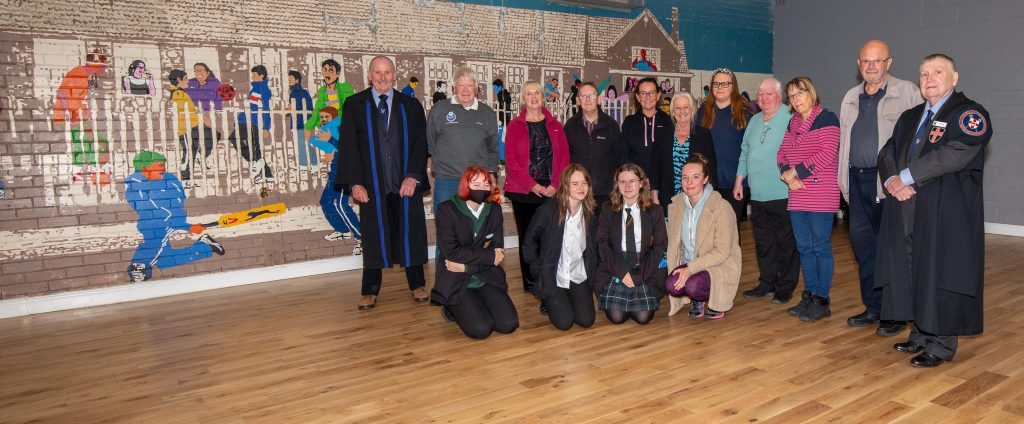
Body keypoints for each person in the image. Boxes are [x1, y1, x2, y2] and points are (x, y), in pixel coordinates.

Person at [876, 54, 992, 368]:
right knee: (911, 267)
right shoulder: (911, 115)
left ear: (954, 78)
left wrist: (907, 176)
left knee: (940, 272)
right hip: (906, 204)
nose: (929, 78)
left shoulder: (969, 114)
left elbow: (955, 152)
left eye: (938, 72)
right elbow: (888, 151)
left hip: (945, 210)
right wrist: (892, 180)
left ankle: (941, 344)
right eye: (924, 73)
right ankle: (919, 332)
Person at [838, 40, 921, 337]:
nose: (871, 66)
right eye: (866, 61)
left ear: (889, 63)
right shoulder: (851, 96)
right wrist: (842, 183)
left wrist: (908, 178)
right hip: (856, 181)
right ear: (858, 64)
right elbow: (844, 144)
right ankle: (873, 306)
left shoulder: (907, 92)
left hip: (888, 184)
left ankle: (894, 313)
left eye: (877, 61)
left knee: (892, 251)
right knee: (864, 249)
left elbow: (920, 138)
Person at [336, 56, 431, 310]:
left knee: (410, 232)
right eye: (377, 72)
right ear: (369, 75)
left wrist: (413, 175)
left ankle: (417, 284)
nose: (382, 77)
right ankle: (370, 289)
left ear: (394, 75)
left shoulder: (410, 105)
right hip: (372, 184)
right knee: (373, 235)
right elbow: (348, 147)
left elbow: (420, 144)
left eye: (387, 72)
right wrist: (355, 183)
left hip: (404, 183)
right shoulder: (355, 105)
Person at [777, 77, 840, 322]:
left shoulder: (827, 117)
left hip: (820, 194)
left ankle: (822, 299)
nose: (796, 99)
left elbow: (828, 153)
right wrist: (787, 175)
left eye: (800, 93)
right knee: (804, 247)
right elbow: (782, 153)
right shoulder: (793, 122)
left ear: (811, 93)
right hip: (797, 192)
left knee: (820, 247)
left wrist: (797, 172)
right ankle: (810, 294)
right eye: (791, 96)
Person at [431, 166, 518, 339]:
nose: (481, 188)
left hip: (486, 276)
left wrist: (466, 267)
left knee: (508, 324)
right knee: (481, 330)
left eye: (486, 184)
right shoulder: (446, 210)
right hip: (456, 280)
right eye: (475, 184)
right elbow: (452, 253)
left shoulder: (494, 210)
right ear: (465, 185)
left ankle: (477, 305)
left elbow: (498, 255)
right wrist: (489, 256)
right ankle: (450, 309)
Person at [736, 78, 800, 304]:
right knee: (764, 243)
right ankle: (767, 282)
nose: (763, 98)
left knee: (786, 243)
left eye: (768, 94)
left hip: (783, 193)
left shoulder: (791, 118)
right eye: (760, 94)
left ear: (779, 96)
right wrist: (739, 181)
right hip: (758, 195)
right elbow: (745, 152)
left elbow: (799, 151)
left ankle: (786, 285)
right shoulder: (754, 120)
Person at [427, 67, 500, 267]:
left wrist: (491, 173)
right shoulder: (439, 109)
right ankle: (444, 279)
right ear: (454, 87)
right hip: (447, 182)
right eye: (461, 85)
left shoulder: (487, 113)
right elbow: (431, 143)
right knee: (446, 234)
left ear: (477, 88)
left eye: (470, 85)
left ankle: (473, 277)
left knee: (477, 232)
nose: (465, 90)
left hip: (477, 185)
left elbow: (493, 148)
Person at [503, 80, 570, 293]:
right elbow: (511, 161)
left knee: (550, 238)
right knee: (528, 238)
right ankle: (531, 284)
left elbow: (564, 158)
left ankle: (548, 281)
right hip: (523, 192)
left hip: (551, 191)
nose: (533, 97)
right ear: (523, 99)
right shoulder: (514, 126)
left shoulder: (556, 125)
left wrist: (556, 184)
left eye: (537, 93)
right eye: (529, 94)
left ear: (543, 97)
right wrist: (533, 185)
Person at [124, 151, 225, 283]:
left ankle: (139, 268)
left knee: (156, 239)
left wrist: (185, 225)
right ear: (144, 168)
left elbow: (177, 205)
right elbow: (153, 211)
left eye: (164, 165)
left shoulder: (170, 181)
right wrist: (187, 227)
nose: (164, 169)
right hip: (153, 224)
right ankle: (205, 246)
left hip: (164, 224)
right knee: (165, 260)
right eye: (160, 166)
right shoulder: (134, 188)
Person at [522, 164, 599, 330]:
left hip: (577, 272)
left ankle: (568, 297)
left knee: (586, 320)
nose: (581, 188)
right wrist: (537, 269)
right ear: (565, 185)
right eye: (575, 183)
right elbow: (529, 242)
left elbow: (594, 247)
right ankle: (550, 299)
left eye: (584, 183)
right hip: (553, 274)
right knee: (565, 323)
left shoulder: (590, 213)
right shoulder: (548, 209)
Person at [665, 154, 741, 319]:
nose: (689, 182)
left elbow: (721, 252)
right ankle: (698, 297)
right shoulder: (676, 206)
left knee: (693, 286)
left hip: (717, 264)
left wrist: (690, 269)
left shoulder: (722, 207)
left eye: (695, 177)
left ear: (705, 179)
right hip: (689, 262)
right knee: (671, 285)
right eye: (685, 177)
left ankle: (709, 297)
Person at [594, 163, 667, 325]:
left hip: (645, 266)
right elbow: (603, 245)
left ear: (641, 183)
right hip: (615, 264)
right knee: (617, 318)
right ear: (617, 184)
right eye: (622, 182)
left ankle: (637, 297)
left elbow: (659, 247)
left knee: (643, 318)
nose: (627, 186)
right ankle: (625, 299)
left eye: (632, 181)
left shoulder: (655, 211)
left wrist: (638, 276)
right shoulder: (607, 209)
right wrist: (622, 273)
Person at [698, 68, 753, 223]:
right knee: (709, 229)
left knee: (730, 229)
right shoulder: (703, 112)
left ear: (733, 86)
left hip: (736, 183)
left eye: (724, 84)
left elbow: (749, 151)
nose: (720, 87)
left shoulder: (744, 113)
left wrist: (740, 182)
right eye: (716, 84)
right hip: (708, 183)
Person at [563, 81, 622, 207]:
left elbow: (618, 158)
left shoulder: (611, 125)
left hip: (604, 193)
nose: (587, 99)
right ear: (578, 100)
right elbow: (565, 158)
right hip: (577, 193)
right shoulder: (570, 126)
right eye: (583, 96)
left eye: (591, 95)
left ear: (599, 99)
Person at [652, 92, 716, 207]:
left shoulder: (703, 134)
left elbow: (711, 169)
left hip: (697, 198)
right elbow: (655, 168)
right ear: (672, 111)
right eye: (678, 108)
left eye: (686, 107)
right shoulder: (662, 134)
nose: (682, 111)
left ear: (692, 110)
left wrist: (710, 197)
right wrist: (654, 196)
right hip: (668, 198)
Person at [310, 106, 362, 249]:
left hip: (344, 174)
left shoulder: (340, 127)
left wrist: (330, 140)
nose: (323, 119)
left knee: (341, 204)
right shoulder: (329, 129)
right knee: (325, 201)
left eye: (326, 116)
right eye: (321, 117)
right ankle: (342, 230)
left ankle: (361, 237)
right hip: (335, 173)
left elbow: (348, 148)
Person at [225, 65, 275, 183]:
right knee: (236, 139)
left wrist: (266, 127)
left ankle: (263, 171)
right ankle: (265, 172)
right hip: (246, 121)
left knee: (254, 148)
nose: (252, 77)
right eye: (252, 75)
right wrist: (239, 119)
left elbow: (266, 110)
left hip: (254, 123)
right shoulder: (253, 90)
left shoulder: (264, 90)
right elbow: (248, 108)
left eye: (255, 75)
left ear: (262, 76)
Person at [167, 69, 213, 182]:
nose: (188, 80)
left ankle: (199, 156)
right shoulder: (177, 93)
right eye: (186, 78)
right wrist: (202, 118)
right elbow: (186, 110)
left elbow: (191, 109)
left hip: (194, 125)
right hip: (185, 128)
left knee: (211, 137)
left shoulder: (182, 93)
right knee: (189, 151)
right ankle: (185, 175)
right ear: (179, 80)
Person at [620, 77, 672, 178]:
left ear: (658, 95)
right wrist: (634, 178)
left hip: (663, 182)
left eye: (652, 93)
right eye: (643, 93)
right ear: (638, 97)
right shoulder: (629, 122)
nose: (648, 97)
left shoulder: (668, 122)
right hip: (636, 181)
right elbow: (623, 155)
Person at [304, 59, 355, 152]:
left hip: (341, 125)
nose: (327, 73)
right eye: (325, 70)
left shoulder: (345, 88)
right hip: (327, 124)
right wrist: (308, 127)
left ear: (338, 74)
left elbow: (350, 110)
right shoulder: (322, 90)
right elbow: (317, 110)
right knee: (316, 140)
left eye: (331, 70)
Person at [287, 70, 316, 169]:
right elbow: (293, 110)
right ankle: (305, 164)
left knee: (305, 144)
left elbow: (310, 109)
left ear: (297, 80)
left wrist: (308, 125)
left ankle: (311, 164)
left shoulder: (303, 93)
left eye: (291, 78)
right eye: (288, 78)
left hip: (303, 123)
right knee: (301, 144)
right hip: (296, 123)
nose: (289, 80)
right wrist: (288, 111)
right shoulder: (292, 93)